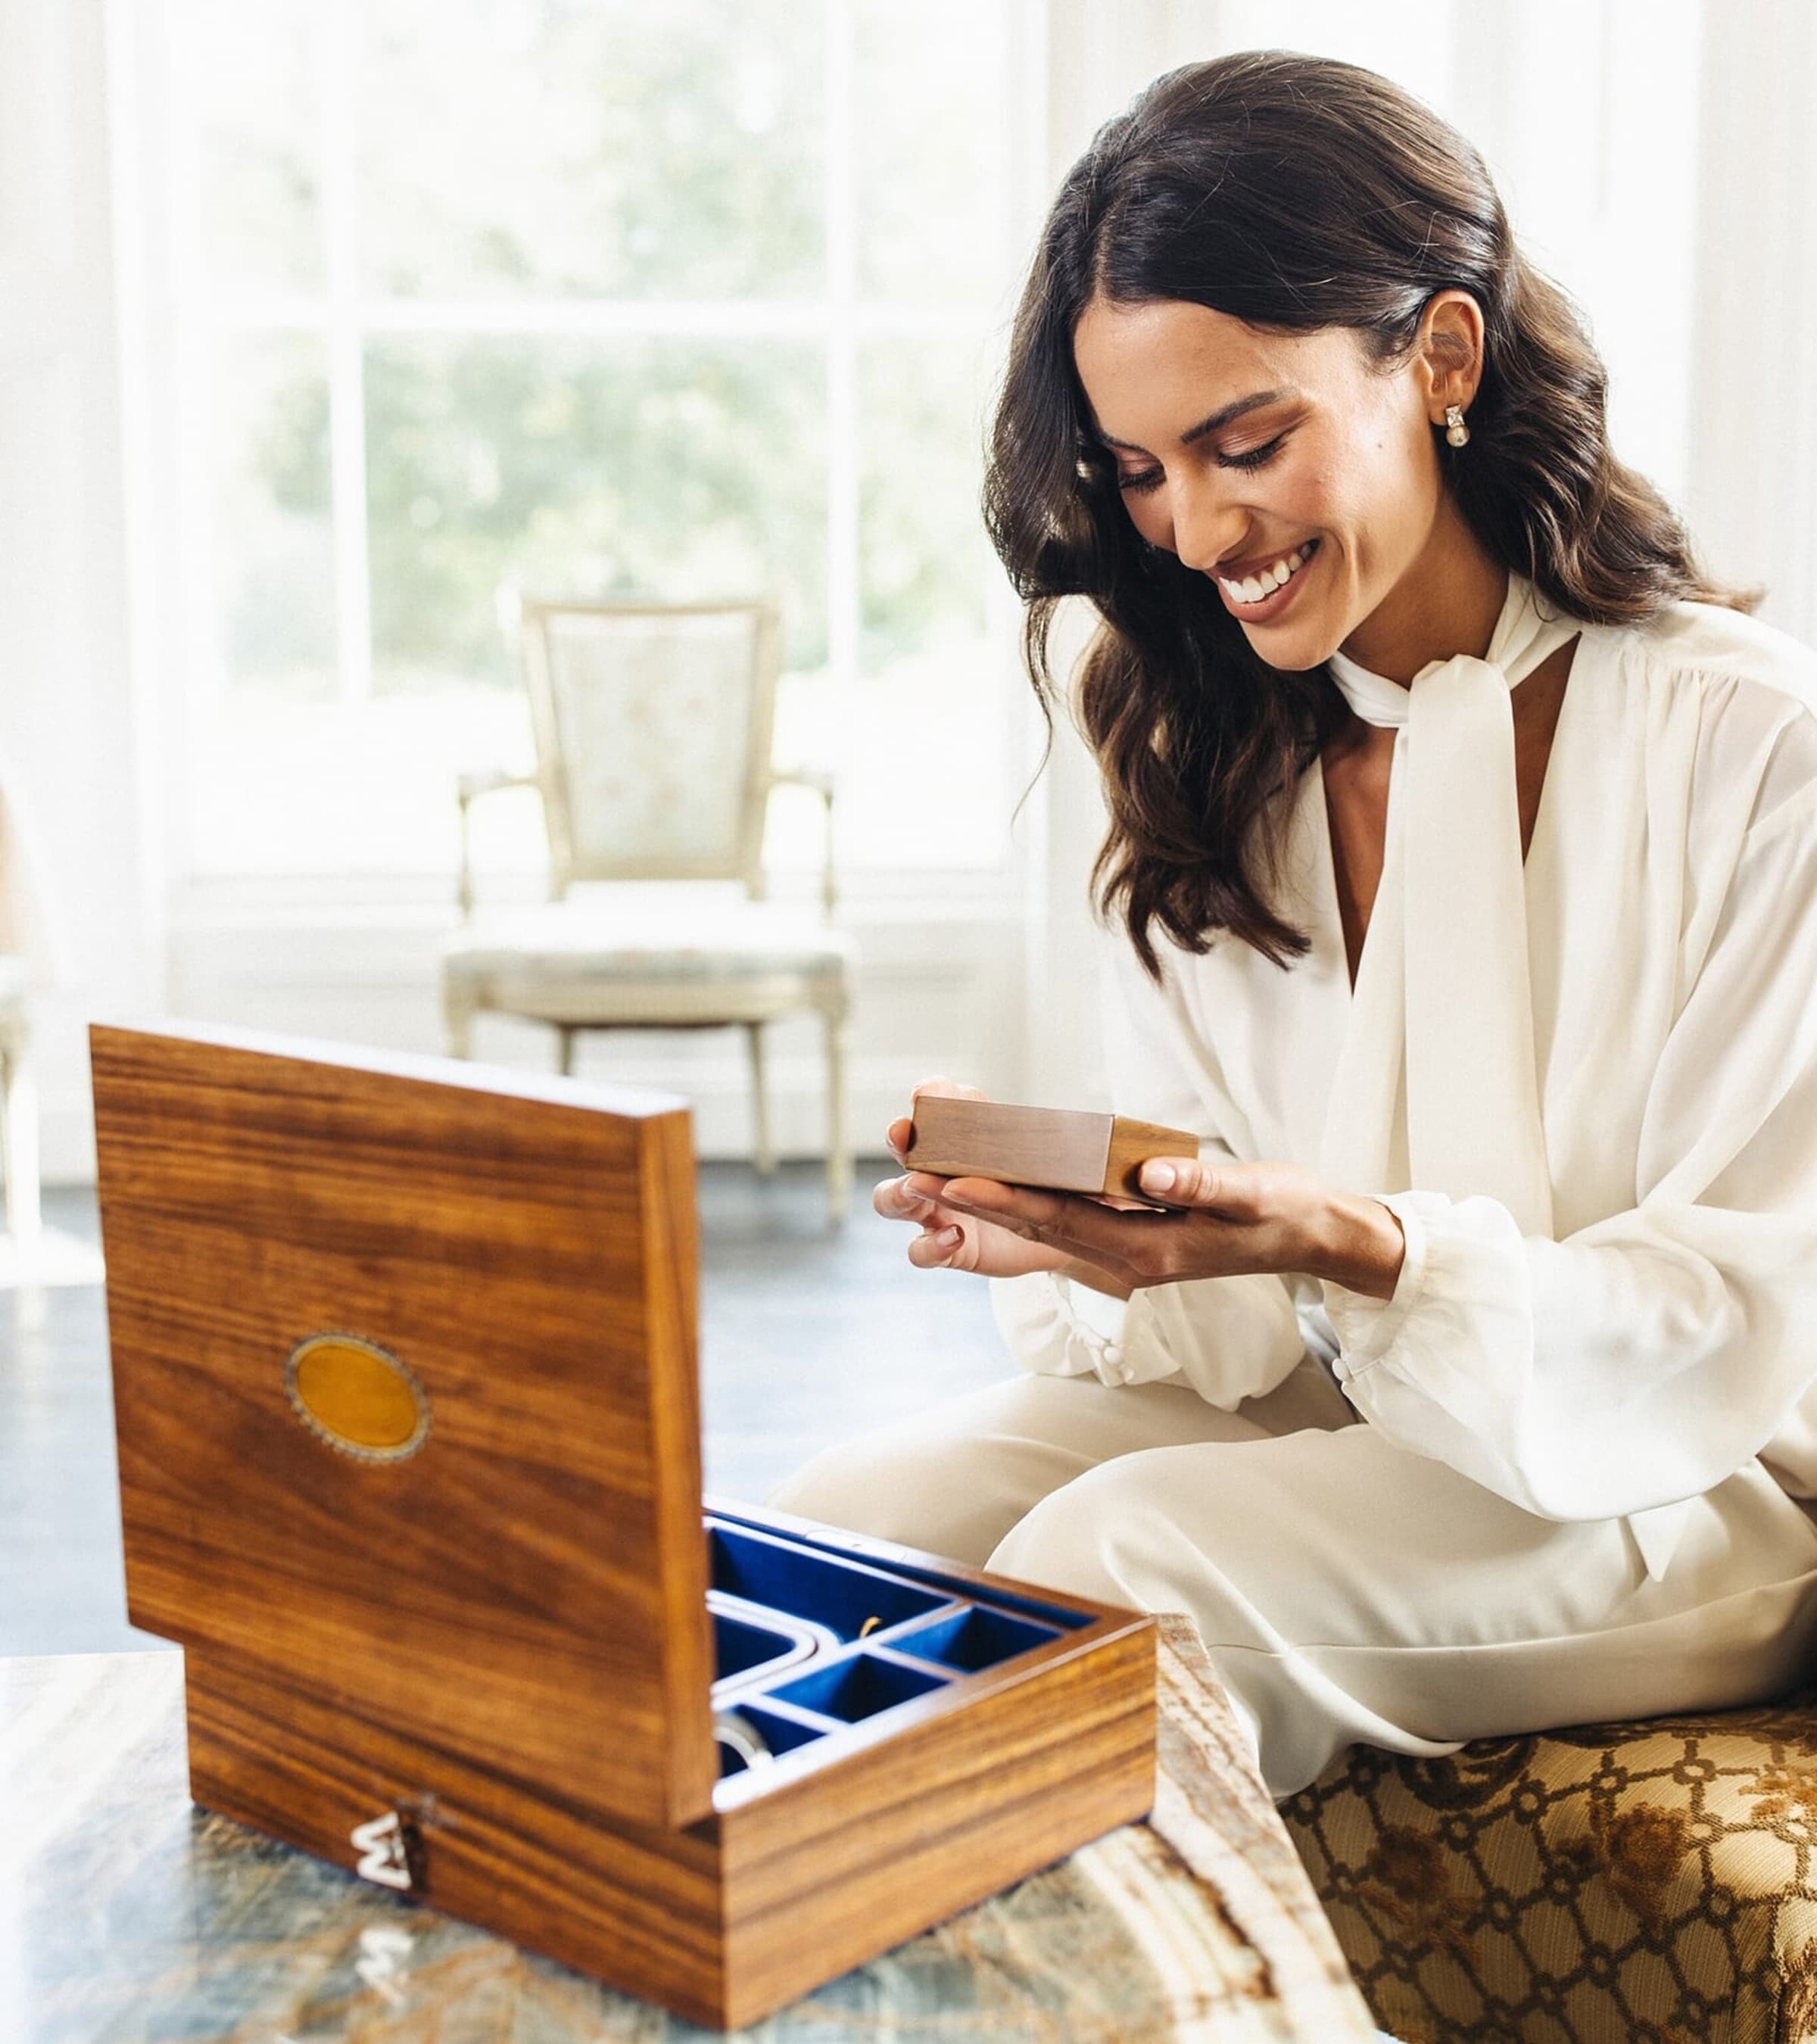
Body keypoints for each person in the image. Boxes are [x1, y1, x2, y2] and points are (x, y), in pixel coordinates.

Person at [768, 51, 1817, 1800]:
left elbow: (1733, 1320)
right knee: (837, 1544)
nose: (1197, 532)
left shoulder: (1751, 749)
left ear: (1446, 359)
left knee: (1121, 1569)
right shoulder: (1211, 747)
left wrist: (1367, 1245)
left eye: (1247, 442)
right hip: (1349, 1411)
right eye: (1143, 472)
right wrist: (1104, 1241)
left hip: (1692, 1479)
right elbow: (1263, 1329)